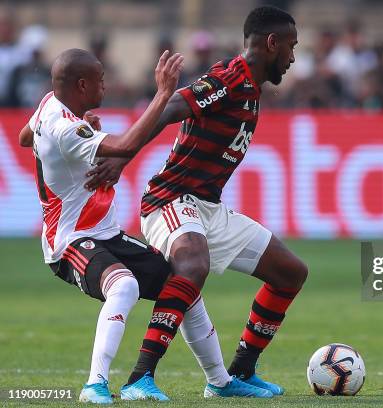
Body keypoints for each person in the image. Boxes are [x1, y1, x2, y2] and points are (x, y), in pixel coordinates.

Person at [20, 48, 270, 404]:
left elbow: (24, 137)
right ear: (80, 85)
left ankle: (220, 381)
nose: (105, 87)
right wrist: (163, 93)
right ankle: (94, 385)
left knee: (182, 288)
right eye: (100, 81)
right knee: (123, 287)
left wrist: (73, 137)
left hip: (106, 234)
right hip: (70, 243)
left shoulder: (49, 105)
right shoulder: (65, 129)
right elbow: (126, 144)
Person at [86, 5, 307, 397]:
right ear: (271, 43)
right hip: (170, 199)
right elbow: (172, 108)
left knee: (291, 272)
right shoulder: (230, 77)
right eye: (290, 47)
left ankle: (238, 373)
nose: (292, 57)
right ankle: (140, 377)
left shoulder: (252, 88)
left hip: (208, 206)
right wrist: (122, 156)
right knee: (192, 262)